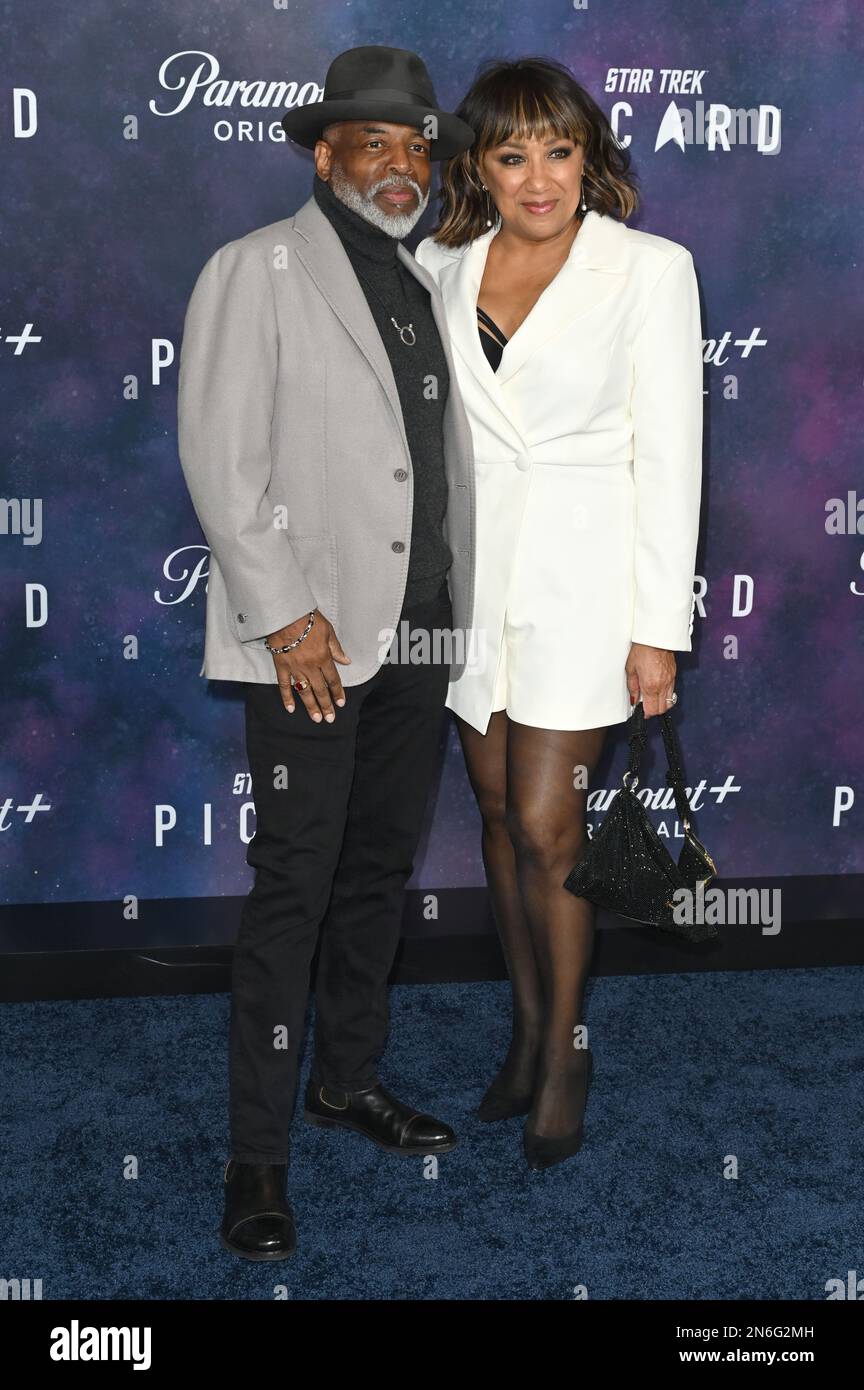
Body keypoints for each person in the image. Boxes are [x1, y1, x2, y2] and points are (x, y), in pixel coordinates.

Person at [177, 46, 476, 1259]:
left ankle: (346, 1079)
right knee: (295, 889)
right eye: (375, 145)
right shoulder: (258, 268)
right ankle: (258, 1156)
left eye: (416, 148)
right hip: (309, 638)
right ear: (324, 154)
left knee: (375, 874)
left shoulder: (428, 275)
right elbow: (219, 455)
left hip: (419, 632)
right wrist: (284, 613)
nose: (400, 165)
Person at [414, 57, 704, 1170]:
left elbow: (670, 455)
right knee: (493, 813)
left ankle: (570, 1046)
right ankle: (528, 1023)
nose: (541, 177)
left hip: (590, 584)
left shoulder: (651, 270)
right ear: (479, 166)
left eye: (561, 149)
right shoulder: (442, 264)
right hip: (471, 586)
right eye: (513, 153)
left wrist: (656, 628)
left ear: (591, 154)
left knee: (547, 823)